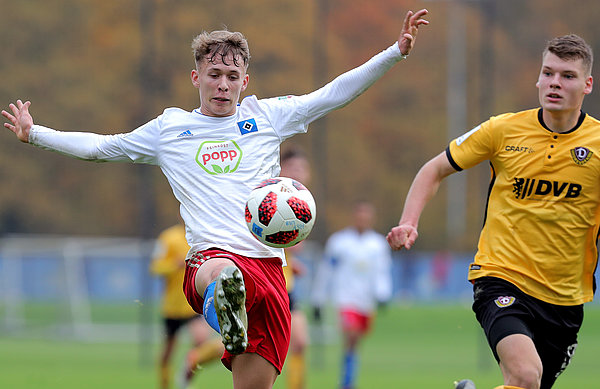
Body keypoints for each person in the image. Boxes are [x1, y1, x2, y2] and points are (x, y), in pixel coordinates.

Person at [2, 9, 428, 389]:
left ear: (245, 81)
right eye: (213, 75)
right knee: (223, 272)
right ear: (196, 78)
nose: (222, 85)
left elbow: (333, 94)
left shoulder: (266, 117)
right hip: (212, 258)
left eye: (231, 77)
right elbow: (101, 148)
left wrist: (394, 51)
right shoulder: (169, 130)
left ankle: (231, 312)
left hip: (269, 270)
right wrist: (35, 134)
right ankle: (222, 302)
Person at [387, 34, 596, 389]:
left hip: (565, 299)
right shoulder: (503, 129)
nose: (554, 83)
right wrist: (409, 221)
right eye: (548, 73)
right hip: (502, 278)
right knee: (527, 376)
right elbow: (434, 169)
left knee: (522, 385)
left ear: (588, 84)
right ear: (538, 78)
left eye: (567, 76)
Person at [312, 200, 393, 389]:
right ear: (354, 217)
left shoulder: (378, 244)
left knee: (354, 342)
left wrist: (383, 294)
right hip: (344, 298)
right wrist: (319, 298)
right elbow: (327, 271)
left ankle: (348, 376)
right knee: (351, 335)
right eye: (359, 215)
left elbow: (382, 272)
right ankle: (347, 382)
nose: (362, 219)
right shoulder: (339, 242)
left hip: (366, 301)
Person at [150, 222, 223, 388]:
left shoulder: (203, 236)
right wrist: (173, 265)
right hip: (172, 307)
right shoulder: (168, 237)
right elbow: (155, 267)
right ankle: (165, 385)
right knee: (166, 355)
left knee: (201, 342)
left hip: (192, 304)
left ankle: (185, 379)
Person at [279, 145, 311, 389]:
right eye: (295, 167)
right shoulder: (274, 197)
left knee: (300, 342)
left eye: (304, 168)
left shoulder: (302, 199)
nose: (301, 172)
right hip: (269, 281)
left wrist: (292, 262)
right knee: (245, 344)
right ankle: (196, 357)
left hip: (286, 283)